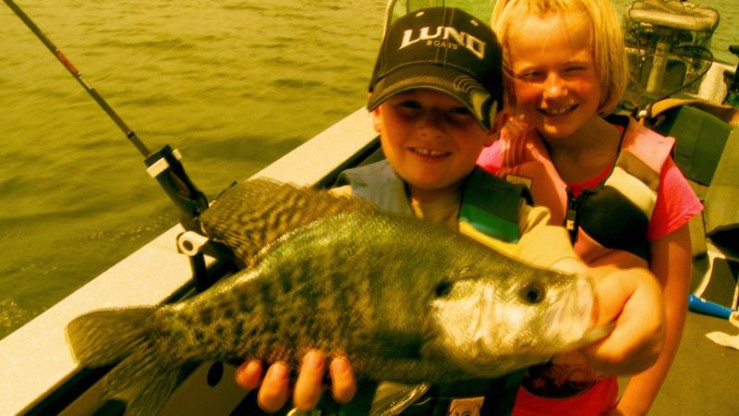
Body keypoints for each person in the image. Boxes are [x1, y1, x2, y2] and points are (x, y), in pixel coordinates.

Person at [236, 6, 665, 416]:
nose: (430, 127)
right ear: (376, 110)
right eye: (409, 105)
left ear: (495, 125)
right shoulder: (339, 212)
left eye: (460, 111)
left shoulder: (521, 223)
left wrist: (631, 287)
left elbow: (565, 273)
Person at [476, 1, 703, 415]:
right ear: (508, 82)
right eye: (533, 74)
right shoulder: (495, 165)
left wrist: (632, 409)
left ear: (605, 67)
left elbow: (669, 312)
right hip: (496, 401)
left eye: (574, 68)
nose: (554, 90)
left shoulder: (657, 175)